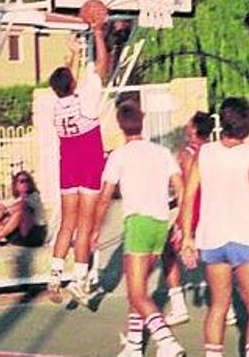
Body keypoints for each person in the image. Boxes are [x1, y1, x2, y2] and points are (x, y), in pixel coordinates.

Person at [180, 98, 249, 357]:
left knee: (218, 306)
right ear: (248, 125)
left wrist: (187, 239)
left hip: (212, 240)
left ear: (220, 122)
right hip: (244, 238)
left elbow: (189, 197)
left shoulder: (205, 153)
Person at [91, 101, 186, 357]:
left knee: (135, 292)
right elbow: (181, 188)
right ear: (142, 121)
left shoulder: (119, 155)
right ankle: (134, 345)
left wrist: (95, 230)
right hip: (160, 224)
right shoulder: (162, 152)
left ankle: (167, 341)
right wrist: (182, 222)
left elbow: (104, 196)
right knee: (140, 288)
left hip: (138, 223)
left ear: (120, 126)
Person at [47, 16, 110, 303]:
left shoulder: (56, 106)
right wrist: (98, 34)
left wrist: (71, 54)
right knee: (85, 225)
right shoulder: (86, 100)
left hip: (68, 164)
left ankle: (54, 274)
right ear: (73, 82)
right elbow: (102, 67)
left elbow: (64, 82)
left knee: (67, 223)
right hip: (89, 161)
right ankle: (80, 279)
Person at [160, 111, 227, 326]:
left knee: (168, 253)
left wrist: (182, 221)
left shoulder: (188, 153)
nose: (186, 126)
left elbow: (189, 188)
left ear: (195, 129)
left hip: (194, 210)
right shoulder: (215, 151)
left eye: (189, 123)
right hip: (214, 208)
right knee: (216, 257)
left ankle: (178, 306)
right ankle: (229, 308)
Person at [0, 171, 47, 247]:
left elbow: (21, 205)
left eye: (27, 180)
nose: (25, 183)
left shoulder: (34, 196)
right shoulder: (16, 199)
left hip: (35, 236)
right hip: (19, 237)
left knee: (20, 212)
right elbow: (2, 207)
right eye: (21, 181)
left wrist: (4, 211)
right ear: (16, 185)